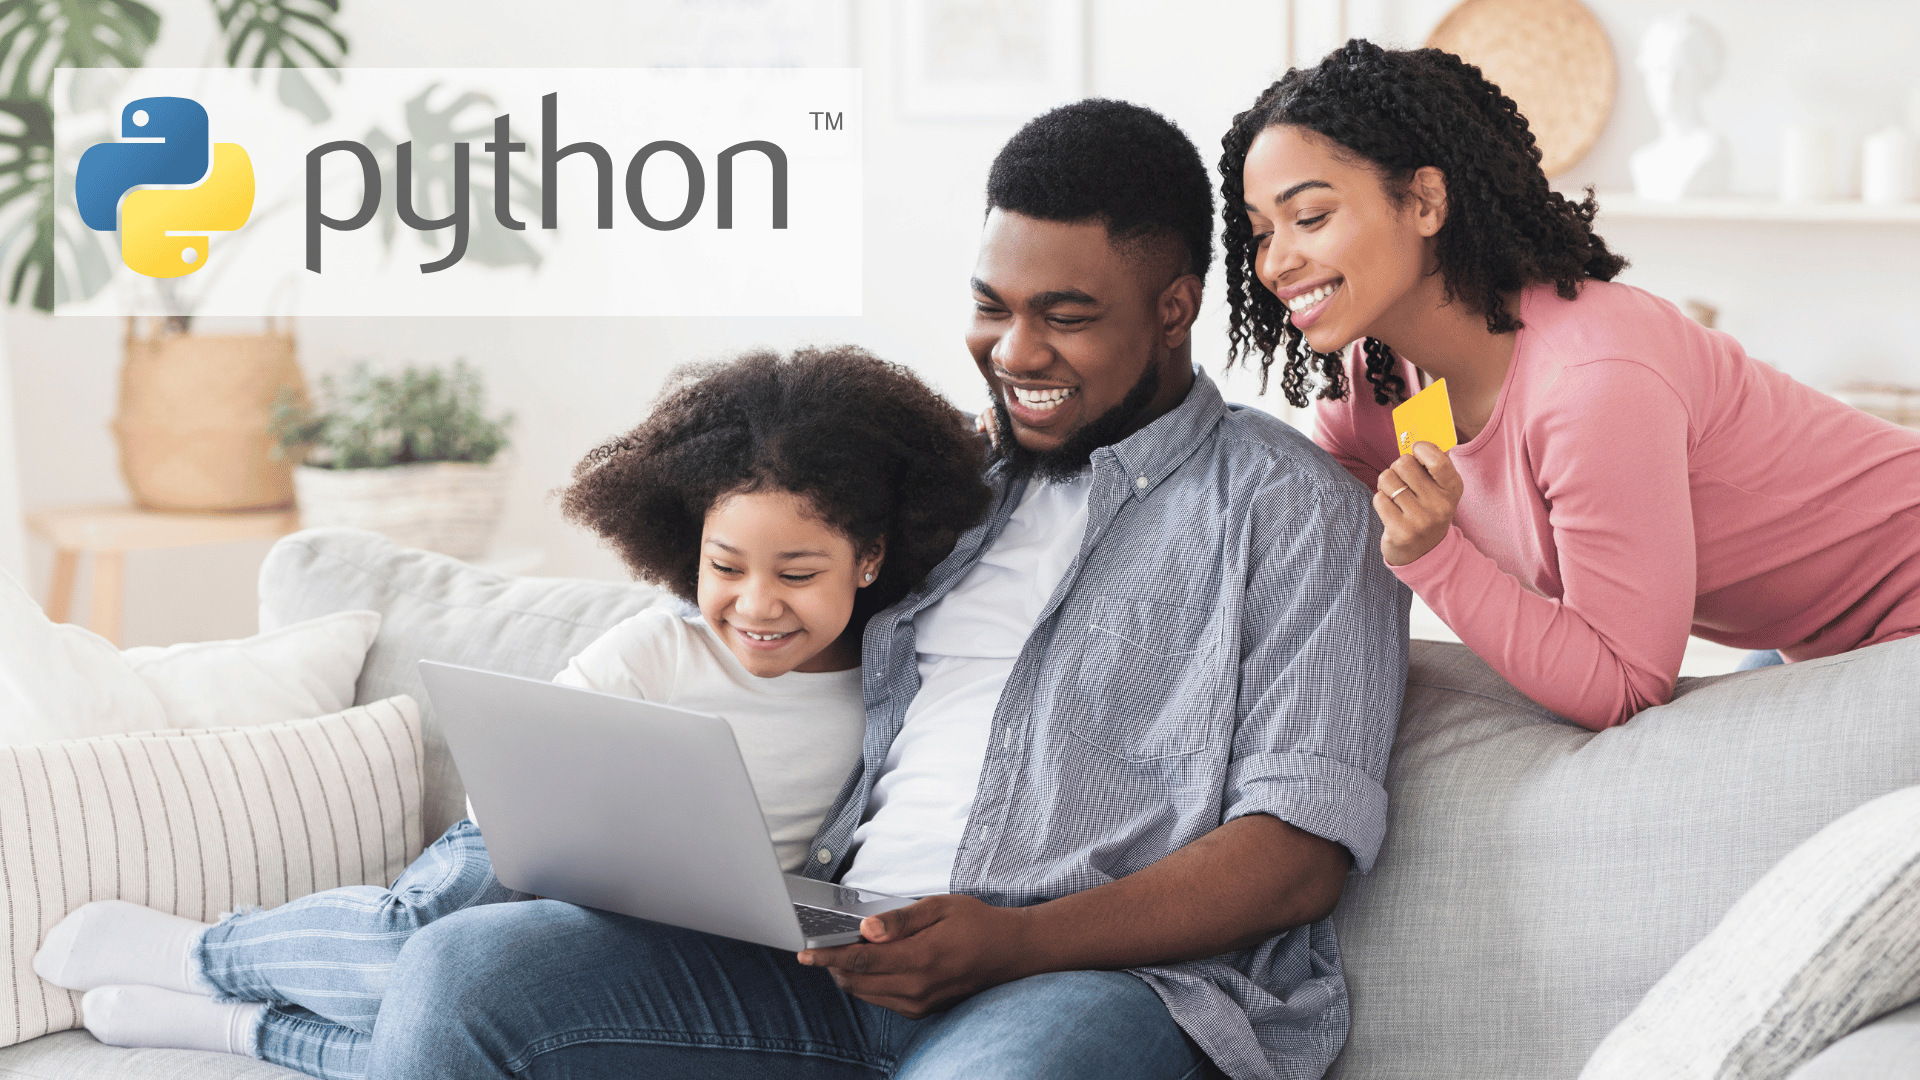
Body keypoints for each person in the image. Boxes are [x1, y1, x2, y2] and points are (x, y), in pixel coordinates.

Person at [343, 99, 1407, 1080]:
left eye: (1067, 316)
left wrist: (1015, 941)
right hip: (840, 954)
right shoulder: (939, 485)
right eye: (993, 306)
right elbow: (749, 606)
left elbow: (1296, 856)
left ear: (1174, 307)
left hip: (1089, 985)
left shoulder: (1296, 511)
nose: (1015, 349)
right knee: (465, 976)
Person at [32, 345, 992, 1079]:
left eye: (798, 574)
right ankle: (204, 955)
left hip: (681, 930)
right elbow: (533, 777)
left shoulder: (892, 681)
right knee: (414, 947)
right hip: (523, 854)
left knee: (468, 1024)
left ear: (869, 558)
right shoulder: (658, 647)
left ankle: (245, 1029)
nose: (755, 604)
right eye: (725, 569)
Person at [1219, 40, 1920, 731]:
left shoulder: (1591, 384)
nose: (1276, 261)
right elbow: (1317, 570)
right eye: (1258, 233)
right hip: (1804, 637)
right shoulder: (1379, 391)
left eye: (1310, 217)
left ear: (1427, 201)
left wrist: (1435, 556)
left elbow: (1624, 685)